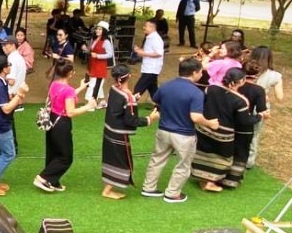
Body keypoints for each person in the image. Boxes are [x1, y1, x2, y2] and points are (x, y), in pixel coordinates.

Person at [141, 58, 219, 203]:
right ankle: (172, 193)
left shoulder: (165, 86)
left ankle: (148, 188)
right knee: (183, 164)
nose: (202, 74)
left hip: (163, 130)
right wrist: (210, 123)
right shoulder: (196, 93)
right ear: (194, 72)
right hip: (184, 135)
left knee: (157, 159)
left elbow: (156, 101)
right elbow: (195, 117)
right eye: (201, 71)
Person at [191, 68, 266, 192]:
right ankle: (210, 182)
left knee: (203, 151)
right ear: (242, 81)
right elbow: (244, 121)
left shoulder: (211, 88)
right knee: (220, 157)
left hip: (204, 127)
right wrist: (259, 116)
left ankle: (202, 178)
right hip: (223, 132)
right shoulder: (240, 100)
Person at [34, 59, 95, 193]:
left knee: (53, 151)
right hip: (62, 123)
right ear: (70, 73)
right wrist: (88, 106)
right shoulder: (68, 90)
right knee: (66, 157)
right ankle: (44, 177)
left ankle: (53, 181)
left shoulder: (54, 85)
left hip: (52, 119)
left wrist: (80, 88)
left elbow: (64, 96)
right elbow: (71, 112)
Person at [101, 65, 159, 200]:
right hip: (118, 133)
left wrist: (133, 99)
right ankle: (108, 190)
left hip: (109, 129)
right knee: (121, 161)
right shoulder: (127, 96)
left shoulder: (113, 89)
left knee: (113, 158)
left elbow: (119, 107)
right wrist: (150, 119)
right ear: (129, 76)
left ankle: (108, 188)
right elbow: (131, 120)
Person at [0, 55, 28, 197]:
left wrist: (12, 96)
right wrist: (19, 95)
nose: (10, 66)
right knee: (9, 153)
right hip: (0, 125)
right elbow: (6, 109)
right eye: (9, 64)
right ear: (3, 68)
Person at [229, 61, 268, 187]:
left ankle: (219, 173)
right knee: (242, 151)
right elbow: (262, 109)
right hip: (245, 123)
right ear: (258, 74)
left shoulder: (233, 84)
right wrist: (261, 115)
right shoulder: (258, 90)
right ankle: (234, 178)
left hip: (229, 120)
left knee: (227, 147)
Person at [248, 46, 283, 168]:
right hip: (261, 108)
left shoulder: (246, 69)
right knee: (255, 134)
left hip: (243, 103)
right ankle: (249, 161)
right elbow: (280, 97)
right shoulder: (275, 75)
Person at [83, 21, 114, 109]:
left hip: (100, 65)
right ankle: (101, 101)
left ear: (104, 31)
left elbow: (110, 54)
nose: (97, 30)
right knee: (95, 83)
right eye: (97, 29)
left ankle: (91, 103)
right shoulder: (95, 39)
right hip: (92, 64)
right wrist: (86, 50)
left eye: (100, 29)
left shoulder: (106, 42)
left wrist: (98, 56)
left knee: (94, 84)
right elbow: (92, 51)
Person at [133, 20, 164, 101]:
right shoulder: (150, 37)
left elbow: (159, 53)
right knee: (153, 89)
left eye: (145, 26)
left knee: (138, 88)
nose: (144, 28)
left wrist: (143, 53)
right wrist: (140, 51)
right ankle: (160, 105)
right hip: (148, 68)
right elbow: (149, 50)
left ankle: (130, 105)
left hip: (151, 69)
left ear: (152, 27)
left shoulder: (156, 39)